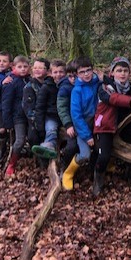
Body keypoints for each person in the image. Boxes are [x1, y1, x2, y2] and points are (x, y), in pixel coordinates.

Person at [92, 57, 131, 196]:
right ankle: (98, 178)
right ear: (112, 73)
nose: (122, 74)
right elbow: (113, 99)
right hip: (105, 126)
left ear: (129, 73)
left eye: (125, 70)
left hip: (124, 126)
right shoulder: (105, 87)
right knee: (103, 156)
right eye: (119, 70)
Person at [62, 58, 100, 191]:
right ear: (77, 74)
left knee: (101, 149)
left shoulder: (97, 83)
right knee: (85, 154)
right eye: (82, 72)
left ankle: (96, 174)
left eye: (88, 70)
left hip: (97, 124)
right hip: (83, 126)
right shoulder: (77, 91)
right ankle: (68, 173)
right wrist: (86, 136)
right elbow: (76, 116)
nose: (86, 74)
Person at [1, 56, 30, 177]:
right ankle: (11, 164)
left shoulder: (30, 80)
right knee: (19, 140)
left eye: (25, 67)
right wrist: (7, 122)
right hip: (18, 117)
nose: (23, 69)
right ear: (14, 67)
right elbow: (6, 103)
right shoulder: (11, 81)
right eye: (20, 67)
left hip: (30, 115)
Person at [31, 59, 66, 160]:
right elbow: (40, 107)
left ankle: (55, 150)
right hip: (51, 116)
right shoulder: (46, 87)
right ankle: (49, 146)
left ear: (65, 73)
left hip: (65, 117)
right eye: (55, 72)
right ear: (50, 73)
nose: (58, 75)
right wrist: (40, 127)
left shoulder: (68, 86)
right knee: (51, 129)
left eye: (61, 72)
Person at [57, 59, 80, 170]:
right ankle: (64, 164)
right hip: (71, 123)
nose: (73, 79)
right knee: (72, 146)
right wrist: (68, 124)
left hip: (86, 122)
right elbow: (62, 108)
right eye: (70, 76)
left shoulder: (89, 84)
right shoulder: (65, 88)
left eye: (75, 76)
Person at [23, 58, 49, 149]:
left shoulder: (50, 84)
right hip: (35, 120)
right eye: (35, 68)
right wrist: (39, 123)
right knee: (33, 137)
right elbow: (29, 110)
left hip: (49, 117)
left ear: (47, 71)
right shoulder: (29, 87)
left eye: (40, 68)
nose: (37, 70)